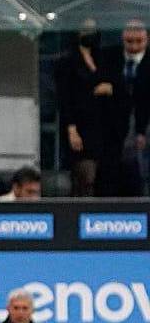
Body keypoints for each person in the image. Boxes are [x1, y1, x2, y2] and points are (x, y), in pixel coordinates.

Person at [54, 19, 108, 196]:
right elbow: (64, 98)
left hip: (100, 125)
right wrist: (71, 129)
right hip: (79, 126)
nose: (89, 34)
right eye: (85, 29)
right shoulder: (67, 60)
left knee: (100, 177)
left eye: (92, 29)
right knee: (84, 175)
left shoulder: (102, 58)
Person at [99, 19, 149, 196]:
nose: (134, 46)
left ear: (147, 39)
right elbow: (98, 88)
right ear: (122, 38)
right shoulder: (110, 58)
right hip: (114, 130)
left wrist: (115, 90)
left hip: (144, 126)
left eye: (139, 41)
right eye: (129, 41)